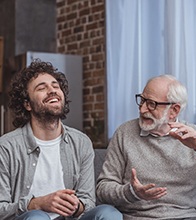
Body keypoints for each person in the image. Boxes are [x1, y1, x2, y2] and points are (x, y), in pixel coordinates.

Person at [96, 74, 196, 220]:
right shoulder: (124, 133)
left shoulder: (193, 136)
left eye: (151, 104)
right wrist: (131, 192)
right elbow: (102, 189)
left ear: (174, 110)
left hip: (186, 216)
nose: (142, 109)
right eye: (142, 100)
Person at [0, 59, 123, 220]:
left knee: (109, 213)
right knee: (37, 217)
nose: (52, 90)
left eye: (55, 86)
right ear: (27, 104)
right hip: (30, 217)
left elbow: (88, 202)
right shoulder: (7, 146)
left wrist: (76, 206)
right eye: (41, 88)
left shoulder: (81, 142)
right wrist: (36, 204)